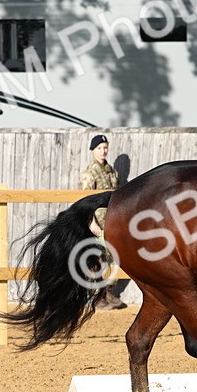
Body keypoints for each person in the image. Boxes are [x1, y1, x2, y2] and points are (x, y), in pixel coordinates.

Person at [80, 133, 126, 310]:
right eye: (99, 148)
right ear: (93, 151)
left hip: (112, 221)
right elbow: (84, 201)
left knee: (113, 256)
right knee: (97, 258)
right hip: (97, 224)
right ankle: (97, 296)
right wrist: (91, 223)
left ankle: (108, 291)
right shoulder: (89, 174)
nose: (103, 151)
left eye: (105, 147)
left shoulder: (112, 172)